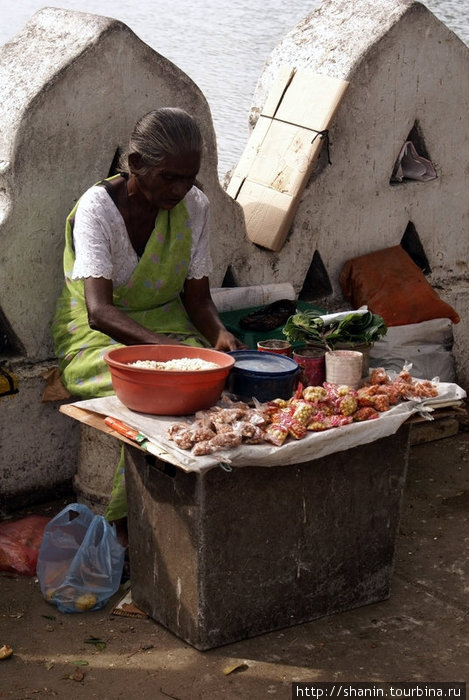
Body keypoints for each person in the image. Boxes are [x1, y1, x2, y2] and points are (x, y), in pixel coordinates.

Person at [52, 107, 244, 525]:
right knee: (163, 397)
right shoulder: (97, 208)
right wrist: (171, 355)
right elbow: (99, 312)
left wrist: (219, 335)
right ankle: (129, 522)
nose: (180, 189)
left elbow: (198, 301)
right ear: (136, 164)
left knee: (226, 388)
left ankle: (204, 511)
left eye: (188, 178)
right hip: (95, 339)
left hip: (168, 329)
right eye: (169, 177)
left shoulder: (196, 206)